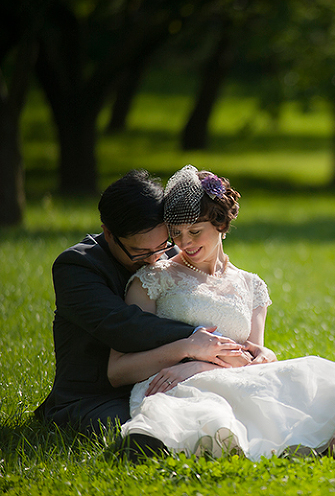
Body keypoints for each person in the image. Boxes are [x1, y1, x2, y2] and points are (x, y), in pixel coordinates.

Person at [111, 165, 335, 460]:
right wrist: (189, 356)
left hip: (234, 377)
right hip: (176, 383)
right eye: (176, 234)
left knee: (309, 376)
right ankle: (157, 438)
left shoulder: (251, 285)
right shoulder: (154, 280)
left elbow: (255, 355)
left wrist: (227, 359)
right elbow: (118, 369)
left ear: (222, 225)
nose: (185, 244)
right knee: (285, 389)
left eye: (195, 232)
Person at [34, 170, 245, 440]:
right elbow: (123, 325)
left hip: (165, 380)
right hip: (97, 394)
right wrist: (197, 338)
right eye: (140, 252)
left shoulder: (168, 252)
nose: (155, 259)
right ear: (109, 234)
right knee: (145, 429)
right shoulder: (77, 267)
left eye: (162, 245)